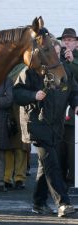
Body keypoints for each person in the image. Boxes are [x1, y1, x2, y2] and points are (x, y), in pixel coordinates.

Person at [13, 39, 78, 217]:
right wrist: (34, 95)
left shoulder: (64, 71)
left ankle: (38, 203)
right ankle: (63, 203)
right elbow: (17, 93)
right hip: (36, 124)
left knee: (45, 165)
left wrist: (76, 105)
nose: (55, 58)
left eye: (58, 54)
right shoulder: (30, 71)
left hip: (55, 126)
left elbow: (73, 92)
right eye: (52, 54)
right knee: (52, 163)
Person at [57, 28, 78, 188]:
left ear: (76, 43)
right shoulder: (57, 58)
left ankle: (72, 180)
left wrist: (72, 62)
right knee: (60, 149)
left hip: (74, 111)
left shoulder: (74, 59)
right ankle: (60, 180)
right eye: (65, 39)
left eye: (71, 39)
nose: (67, 42)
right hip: (59, 113)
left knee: (72, 150)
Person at [4, 64, 29, 190]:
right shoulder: (6, 66)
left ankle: (19, 178)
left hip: (23, 109)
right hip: (8, 109)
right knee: (8, 145)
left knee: (22, 146)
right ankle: (7, 177)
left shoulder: (26, 66)